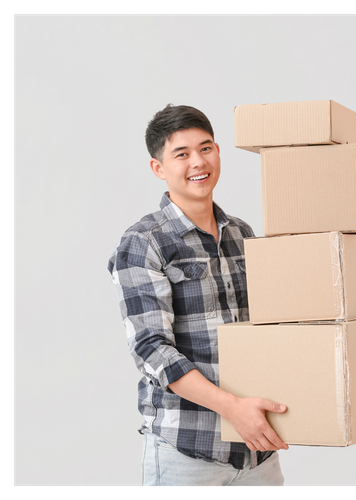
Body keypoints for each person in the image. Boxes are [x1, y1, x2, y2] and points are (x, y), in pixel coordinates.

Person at [107, 104, 288, 488]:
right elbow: (152, 349)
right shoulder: (143, 242)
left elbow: (268, 329)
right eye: (182, 154)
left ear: (218, 151)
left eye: (205, 149)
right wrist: (233, 409)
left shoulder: (242, 233)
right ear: (158, 168)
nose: (198, 162)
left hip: (256, 450)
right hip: (186, 450)